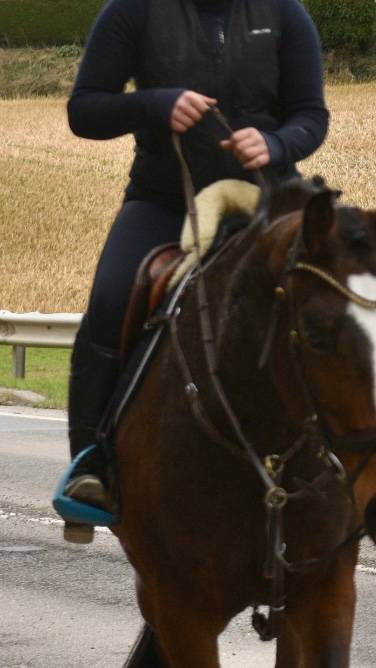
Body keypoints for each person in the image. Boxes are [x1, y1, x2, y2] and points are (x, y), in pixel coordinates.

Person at [62, 0, 329, 540]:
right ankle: (91, 469)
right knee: (113, 299)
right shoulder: (131, 12)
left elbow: (311, 115)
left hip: (271, 196)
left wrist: (276, 142)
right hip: (164, 201)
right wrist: (154, 105)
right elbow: (84, 110)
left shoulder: (285, 13)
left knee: (348, 287)